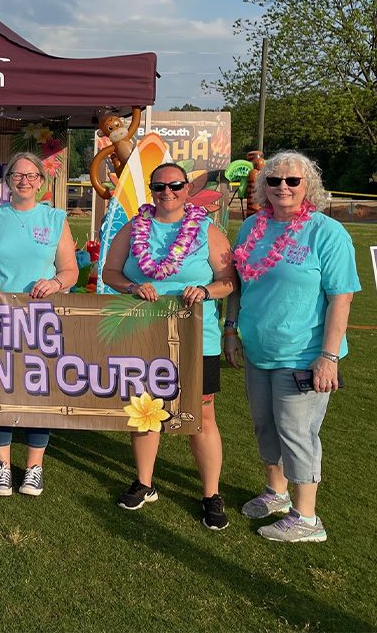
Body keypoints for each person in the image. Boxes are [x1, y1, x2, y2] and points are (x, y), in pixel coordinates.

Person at [224, 151, 360, 542]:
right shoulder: (251, 226)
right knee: (265, 424)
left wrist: (328, 357)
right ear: (263, 185)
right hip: (258, 349)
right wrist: (231, 330)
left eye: (292, 181)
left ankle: (306, 518)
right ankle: (276, 493)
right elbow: (238, 282)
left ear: (307, 186)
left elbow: (342, 298)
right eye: (274, 180)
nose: (282, 187)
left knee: (296, 431)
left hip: (303, 353)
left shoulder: (327, 233)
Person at [103, 163, 236, 530]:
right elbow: (110, 273)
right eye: (158, 186)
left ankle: (211, 494)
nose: (167, 192)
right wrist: (131, 287)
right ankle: (145, 483)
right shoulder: (134, 228)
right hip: (144, 334)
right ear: (151, 189)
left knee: (202, 415)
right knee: (145, 410)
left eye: (175, 185)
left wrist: (206, 291)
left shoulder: (207, 231)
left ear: (186, 188)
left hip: (196, 338)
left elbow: (229, 280)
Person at [0, 152, 78, 497]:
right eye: (18, 175)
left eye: (32, 176)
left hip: (42, 320)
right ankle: (2, 465)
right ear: (7, 179)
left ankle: (33, 467)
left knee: (38, 391)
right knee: (0, 388)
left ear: (42, 182)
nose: (25, 181)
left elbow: (71, 270)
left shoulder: (56, 218)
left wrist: (57, 284)